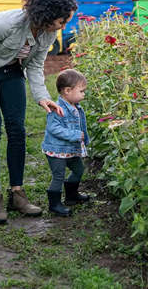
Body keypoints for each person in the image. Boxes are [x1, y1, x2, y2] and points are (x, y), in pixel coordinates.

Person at [0, 0, 77, 224]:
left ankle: (17, 193)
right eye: (61, 21)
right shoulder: (8, 24)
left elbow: (35, 65)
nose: (63, 26)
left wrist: (42, 96)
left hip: (12, 72)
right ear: (46, 15)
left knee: (17, 131)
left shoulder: (46, 33)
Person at [41, 68, 91, 216]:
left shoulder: (76, 107)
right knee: (58, 175)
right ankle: (55, 204)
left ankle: (71, 195)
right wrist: (74, 134)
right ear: (68, 91)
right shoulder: (57, 109)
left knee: (79, 170)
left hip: (71, 150)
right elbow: (53, 128)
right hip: (56, 150)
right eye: (81, 91)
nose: (84, 94)